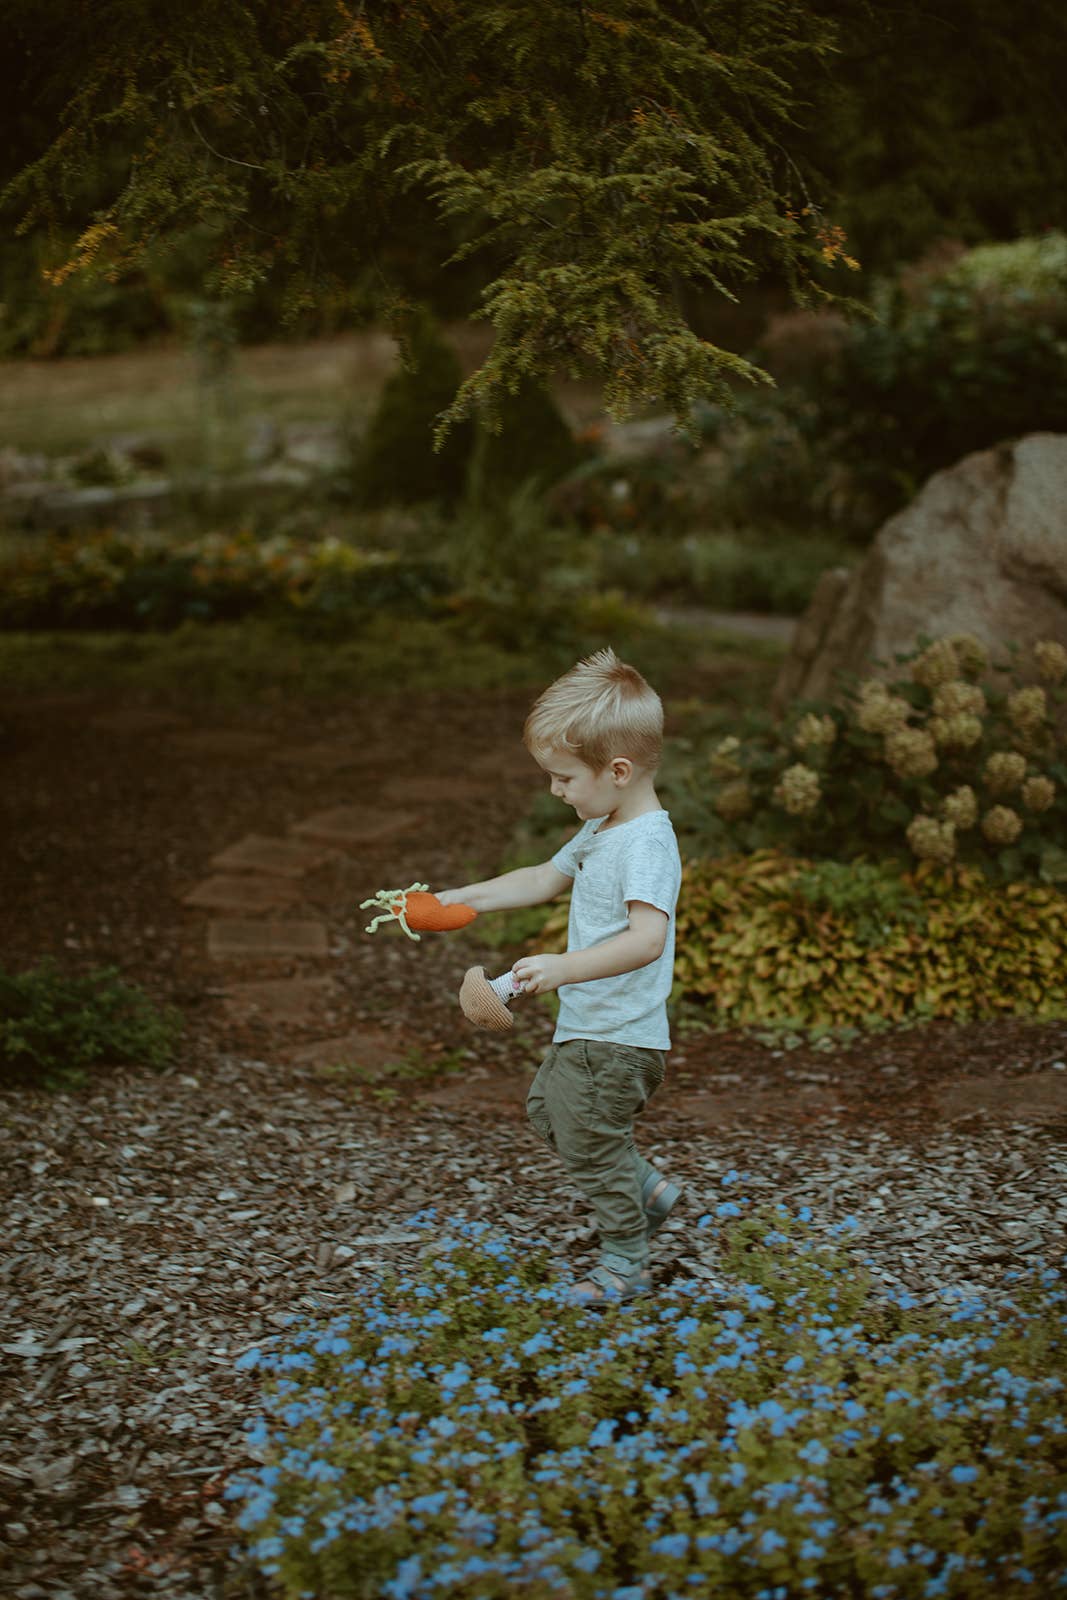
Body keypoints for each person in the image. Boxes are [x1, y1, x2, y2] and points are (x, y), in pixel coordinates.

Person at [437, 647, 683, 1306]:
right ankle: (646, 1190)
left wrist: (560, 967)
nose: (555, 789)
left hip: (619, 1036)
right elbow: (543, 879)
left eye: (564, 777)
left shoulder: (646, 845)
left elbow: (646, 939)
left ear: (619, 770)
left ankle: (625, 1257)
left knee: (585, 1136)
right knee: (548, 1111)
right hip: (592, 1025)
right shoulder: (603, 827)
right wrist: (463, 899)